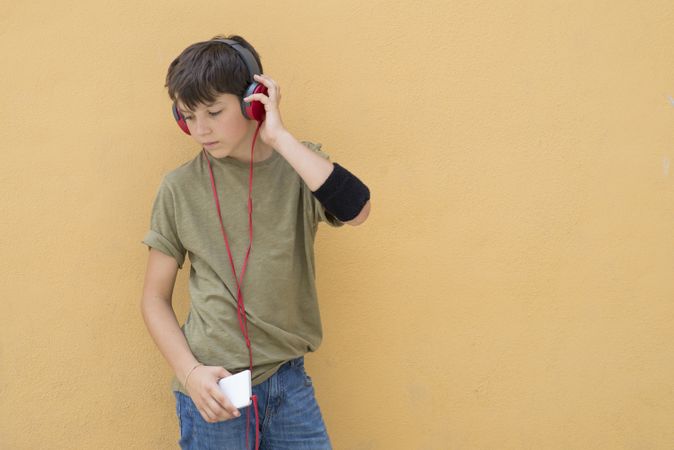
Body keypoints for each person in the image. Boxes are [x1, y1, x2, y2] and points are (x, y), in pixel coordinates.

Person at [139, 34, 371, 450]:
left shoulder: (300, 165)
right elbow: (154, 299)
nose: (200, 130)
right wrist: (190, 374)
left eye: (213, 112)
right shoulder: (178, 188)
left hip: (289, 381)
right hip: (215, 387)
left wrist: (279, 137)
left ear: (253, 101)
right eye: (188, 116)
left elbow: (357, 210)